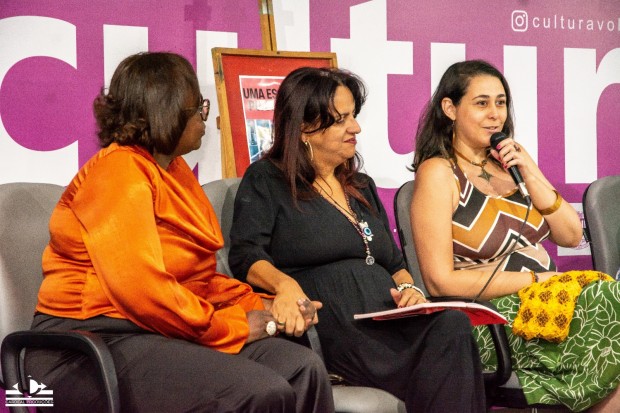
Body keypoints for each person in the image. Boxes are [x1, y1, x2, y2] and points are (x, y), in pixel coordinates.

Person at [25, 52, 334, 413]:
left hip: (159, 331)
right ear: (166, 113)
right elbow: (143, 291)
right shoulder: (118, 172)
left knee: (302, 370)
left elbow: (198, 281)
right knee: (258, 391)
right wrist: (233, 326)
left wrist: (264, 305)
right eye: (198, 107)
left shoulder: (174, 170)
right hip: (87, 345)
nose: (205, 117)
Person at [228, 66, 487, 412]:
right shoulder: (268, 179)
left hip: (389, 321)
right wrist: (285, 285)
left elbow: (394, 263)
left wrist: (409, 289)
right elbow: (246, 255)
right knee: (442, 357)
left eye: (354, 116)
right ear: (304, 127)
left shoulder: (361, 185)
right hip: (332, 330)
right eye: (341, 120)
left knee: (452, 325)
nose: (356, 128)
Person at [410, 59, 620, 412]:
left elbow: (571, 235)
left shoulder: (512, 166)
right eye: (481, 103)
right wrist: (535, 280)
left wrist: (530, 170)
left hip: (549, 305)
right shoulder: (439, 172)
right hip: (491, 320)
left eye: (501, 102)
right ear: (450, 108)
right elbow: (439, 281)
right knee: (608, 298)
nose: (495, 115)